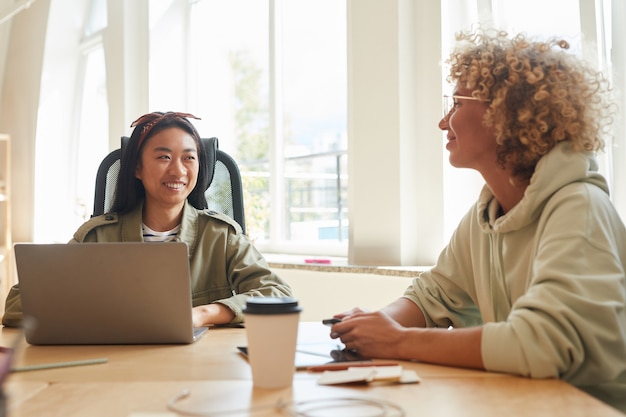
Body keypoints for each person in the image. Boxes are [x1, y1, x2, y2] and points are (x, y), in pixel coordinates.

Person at [329, 29, 626, 412]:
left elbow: (542, 344)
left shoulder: (579, 208)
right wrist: (371, 326)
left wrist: (397, 340)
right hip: (525, 401)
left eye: (455, 103)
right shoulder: (487, 213)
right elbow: (434, 295)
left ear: (505, 112)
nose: (443, 122)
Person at [2, 111, 293, 328]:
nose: (178, 171)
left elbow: (278, 294)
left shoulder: (221, 236)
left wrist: (204, 313)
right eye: (164, 157)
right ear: (138, 168)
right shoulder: (96, 238)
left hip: (199, 366)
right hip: (114, 366)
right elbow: (16, 305)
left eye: (189, 158)